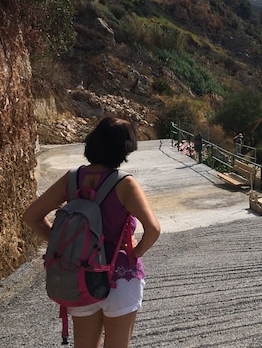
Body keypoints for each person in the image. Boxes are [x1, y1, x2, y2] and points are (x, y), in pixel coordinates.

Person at [24, 117, 161, 348]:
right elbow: (154, 229)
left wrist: (63, 246)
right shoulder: (125, 184)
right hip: (120, 277)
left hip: (80, 276)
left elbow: (31, 217)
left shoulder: (72, 179)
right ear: (124, 148)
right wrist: (135, 253)